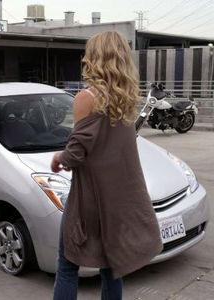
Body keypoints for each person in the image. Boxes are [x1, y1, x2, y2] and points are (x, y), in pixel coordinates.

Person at [51, 31, 163, 300]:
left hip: (89, 198)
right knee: (112, 269)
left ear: (95, 58)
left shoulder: (86, 97)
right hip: (118, 200)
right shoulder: (126, 98)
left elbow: (76, 153)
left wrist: (58, 158)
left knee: (67, 266)